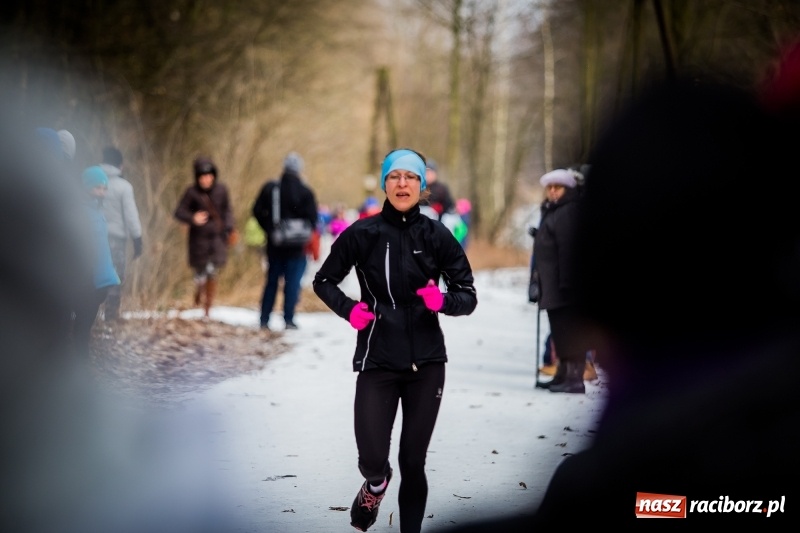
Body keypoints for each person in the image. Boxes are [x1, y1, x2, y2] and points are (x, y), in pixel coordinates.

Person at [313, 148, 478, 533]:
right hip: (378, 357)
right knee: (372, 458)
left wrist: (443, 301)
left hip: (427, 362)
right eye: (394, 176)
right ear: (385, 183)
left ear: (421, 186)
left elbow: (467, 294)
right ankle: (376, 484)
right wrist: (349, 310)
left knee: (413, 461)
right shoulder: (363, 233)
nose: (402, 184)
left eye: (411, 177)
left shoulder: (436, 235)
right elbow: (324, 280)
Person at [530, 168, 589, 394]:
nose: (553, 191)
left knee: (568, 332)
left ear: (568, 189)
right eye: (550, 187)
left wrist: (568, 284)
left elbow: (568, 249)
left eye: (558, 187)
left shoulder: (567, 211)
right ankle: (563, 374)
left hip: (564, 286)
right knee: (559, 332)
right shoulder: (554, 209)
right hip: (553, 285)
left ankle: (574, 378)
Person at [252, 151, 318, 330]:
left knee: (271, 281)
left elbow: (256, 210)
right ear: (299, 169)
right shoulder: (306, 192)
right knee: (292, 284)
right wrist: (300, 232)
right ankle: (288, 319)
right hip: (297, 248)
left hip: (275, 245)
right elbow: (313, 219)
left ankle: (264, 318)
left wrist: (269, 229)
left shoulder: (271, 188)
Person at [174, 156, 235, 318]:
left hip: (217, 239)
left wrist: (229, 227)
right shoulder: (191, 192)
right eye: (202, 176)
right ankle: (198, 295)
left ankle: (207, 307)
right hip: (198, 240)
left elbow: (228, 211)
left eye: (208, 176)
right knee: (200, 274)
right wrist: (192, 218)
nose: (206, 179)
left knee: (212, 272)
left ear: (214, 176)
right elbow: (179, 212)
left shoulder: (222, 190)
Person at [72, 165, 120, 356]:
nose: (101, 192)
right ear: (86, 187)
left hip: (100, 281)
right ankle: (78, 365)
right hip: (86, 280)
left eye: (104, 188)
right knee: (81, 329)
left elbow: (102, 249)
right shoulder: (79, 212)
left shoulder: (98, 212)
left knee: (84, 328)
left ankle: (80, 363)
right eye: (97, 188)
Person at [99, 145, 143, 321]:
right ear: (120, 165)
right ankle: (111, 315)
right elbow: (131, 215)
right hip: (116, 239)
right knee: (116, 276)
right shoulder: (124, 187)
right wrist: (137, 238)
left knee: (95, 274)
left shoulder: (93, 182)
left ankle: (91, 314)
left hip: (95, 235)